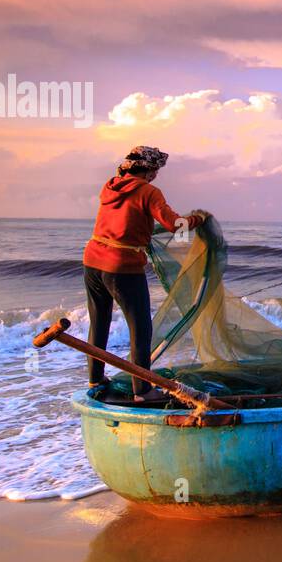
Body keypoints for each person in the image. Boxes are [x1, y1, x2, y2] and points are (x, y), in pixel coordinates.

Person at [82, 146, 205, 397]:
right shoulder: (149, 192)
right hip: (121, 266)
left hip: (92, 261)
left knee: (99, 322)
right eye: (156, 170)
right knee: (140, 327)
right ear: (148, 170)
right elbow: (175, 226)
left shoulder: (110, 186)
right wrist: (198, 219)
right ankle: (142, 390)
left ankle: (95, 380)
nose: (157, 175)